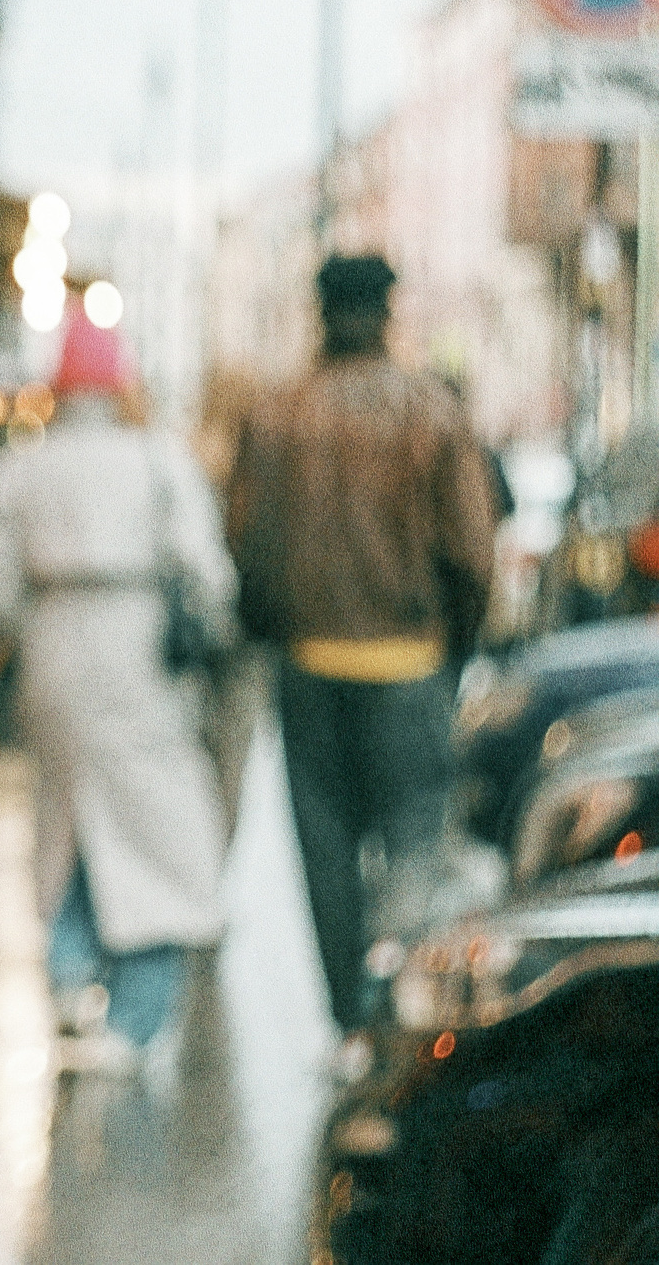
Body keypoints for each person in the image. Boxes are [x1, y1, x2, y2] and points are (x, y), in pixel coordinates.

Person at [226, 254, 501, 1048]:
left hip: (310, 664)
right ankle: (401, 1021)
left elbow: (245, 544)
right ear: (387, 313)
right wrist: (455, 648)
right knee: (414, 845)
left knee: (326, 853)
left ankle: (348, 1020)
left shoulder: (276, 414)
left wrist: (273, 628)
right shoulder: (433, 412)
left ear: (320, 313)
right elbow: (472, 552)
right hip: (410, 663)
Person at [0, 314, 235, 1074]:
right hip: (138, 655)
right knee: (151, 830)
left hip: (52, 653)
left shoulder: (19, 467)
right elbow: (205, 571)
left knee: (66, 818)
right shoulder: (157, 460)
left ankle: (67, 970)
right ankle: (134, 1011)